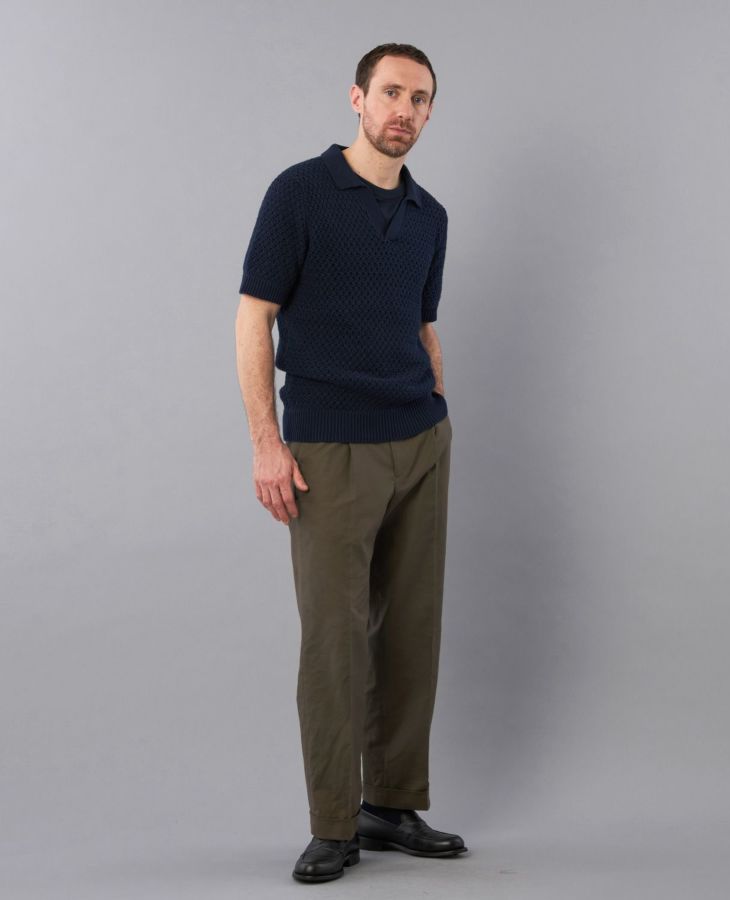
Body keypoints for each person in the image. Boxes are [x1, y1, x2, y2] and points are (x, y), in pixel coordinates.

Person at [235, 42, 468, 883]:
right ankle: (334, 822)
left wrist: (434, 396)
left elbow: (421, 323)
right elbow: (253, 317)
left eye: (421, 98)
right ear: (358, 99)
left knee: (410, 633)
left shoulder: (431, 215)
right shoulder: (299, 193)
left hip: (421, 443)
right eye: (392, 92)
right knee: (334, 640)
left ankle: (392, 805)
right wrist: (267, 442)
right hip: (330, 448)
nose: (406, 110)